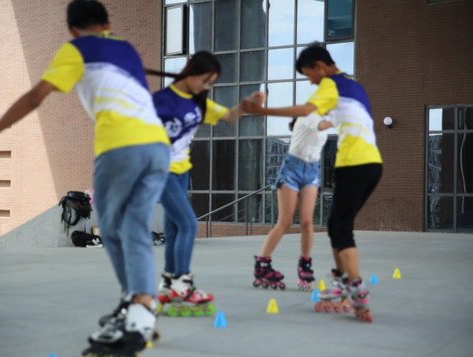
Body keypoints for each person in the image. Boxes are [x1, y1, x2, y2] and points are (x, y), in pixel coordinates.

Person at [0, 0, 170, 356]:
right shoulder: (125, 48)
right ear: (106, 23)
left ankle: (140, 312)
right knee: (130, 226)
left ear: (72, 29)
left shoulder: (77, 48)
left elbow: (34, 97)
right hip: (158, 149)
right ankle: (136, 304)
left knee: (113, 227)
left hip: (120, 147)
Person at [241, 43, 382, 322]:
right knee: (334, 225)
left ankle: (355, 289)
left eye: (310, 75)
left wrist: (260, 112)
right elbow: (318, 117)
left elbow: (307, 109)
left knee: (339, 227)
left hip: (352, 163)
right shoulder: (355, 88)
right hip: (371, 164)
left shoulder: (330, 84)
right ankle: (342, 281)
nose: (311, 81)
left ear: (319, 66)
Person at [148, 51, 264, 316]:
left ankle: (168, 282)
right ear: (191, 71)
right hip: (159, 171)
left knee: (175, 226)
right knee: (189, 223)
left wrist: (246, 106)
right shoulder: (159, 101)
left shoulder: (200, 104)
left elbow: (230, 116)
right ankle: (183, 282)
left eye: (211, 83)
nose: (206, 87)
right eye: (205, 80)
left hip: (181, 172)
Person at [252, 113, 328, 292]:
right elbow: (324, 124)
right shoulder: (307, 117)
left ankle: (304, 266)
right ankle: (262, 264)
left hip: (312, 170)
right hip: (292, 169)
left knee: (307, 221)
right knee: (285, 222)